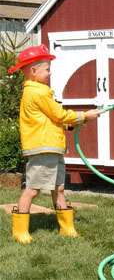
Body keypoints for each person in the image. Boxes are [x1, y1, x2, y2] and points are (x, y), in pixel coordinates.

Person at [8, 44, 101, 244]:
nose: (50, 73)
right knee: (32, 189)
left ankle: (66, 228)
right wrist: (85, 115)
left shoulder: (38, 91)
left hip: (51, 147)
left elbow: (51, 119)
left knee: (58, 188)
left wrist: (71, 124)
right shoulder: (38, 92)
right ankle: (19, 231)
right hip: (43, 148)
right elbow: (58, 114)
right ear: (33, 71)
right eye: (47, 69)